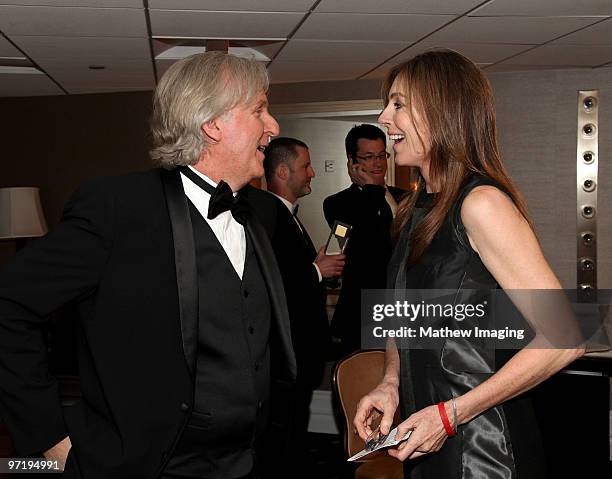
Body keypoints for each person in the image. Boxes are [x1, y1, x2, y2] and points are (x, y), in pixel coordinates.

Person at [0, 52, 296, 479]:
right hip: (147, 464)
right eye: (259, 109)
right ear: (212, 124)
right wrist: (46, 435)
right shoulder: (118, 208)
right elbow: (10, 305)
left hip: (248, 461)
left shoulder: (261, 214)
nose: (274, 127)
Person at [353, 49, 584, 478]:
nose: (385, 117)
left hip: (485, 452)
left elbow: (567, 336)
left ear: (442, 111)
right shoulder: (414, 207)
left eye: (399, 104)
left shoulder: (481, 204)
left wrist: (452, 415)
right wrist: (390, 381)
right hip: (428, 438)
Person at [258, 137, 344, 473]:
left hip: (303, 351)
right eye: (305, 166)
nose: (311, 173)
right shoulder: (265, 213)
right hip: (287, 353)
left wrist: (319, 269)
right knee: (283, 433)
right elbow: (270, 281)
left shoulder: (288, 215)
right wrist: (315, 270)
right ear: (282, 171)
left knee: (296, 427)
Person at [323, 124, 405, 357]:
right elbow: (364, 243)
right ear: (352, 161)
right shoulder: (337, 203)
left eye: (381, 155)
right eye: (368, 157)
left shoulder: (406, 197)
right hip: (362, 314)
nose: (378, 163)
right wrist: (372, 190)